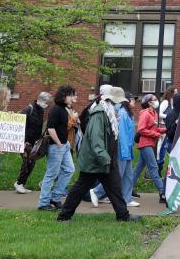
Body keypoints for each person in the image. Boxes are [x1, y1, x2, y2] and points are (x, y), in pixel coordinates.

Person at [56, 86, 139, 223]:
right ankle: (64, 216)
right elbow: (96, 138)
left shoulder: (110, 112)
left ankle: (123, 215)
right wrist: (104, 156)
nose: (120, 103)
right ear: (111, 100)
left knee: (115, 187)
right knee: (80, 187)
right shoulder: (100, 113)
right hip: (96, 159)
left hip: (105, 159)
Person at [92, 92, 138, 208]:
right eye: (133, 99)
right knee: (118, 175)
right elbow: (121, 134)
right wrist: (124, 150)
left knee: (128, 176)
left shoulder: (127, 114)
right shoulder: (122, 114)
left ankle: (126, 199)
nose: (135, 102)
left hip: (127, 149)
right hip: (123, 150)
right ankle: (96, 192)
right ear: (126, 101)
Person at [38, 85, 77, 211]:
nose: (72, 98)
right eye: (70, 95)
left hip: (64, 145)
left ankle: (55, 197)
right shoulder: (56, 109)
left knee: (69, 169)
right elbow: (50, 128)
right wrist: (59, 143)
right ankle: (43, 203)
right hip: (56, 146)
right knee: (51, 173)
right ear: (64, 96)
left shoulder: (65, 109)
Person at [130, 93, 167, 206]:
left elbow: (155, 129)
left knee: (138, 168)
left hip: (149, 144)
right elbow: (141, 129)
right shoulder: (145, 114)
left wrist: (167, 129)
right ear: (149, 102)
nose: (157, 101)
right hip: (145, 144)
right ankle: (162, 192)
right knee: (154, 167)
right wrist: (155, 134)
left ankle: (128, 188)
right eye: (155, 99)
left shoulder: (154, 113)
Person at [14, 91, 51, 194]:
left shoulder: (40, 110)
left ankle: (21, 183)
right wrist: (23, 140)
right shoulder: (29, 109)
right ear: (40, 99)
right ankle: (18, 183)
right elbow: (19, 124)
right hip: (26, 142)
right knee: (27, 163)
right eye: (46, 102)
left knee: (31, 163)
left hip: (33, 142)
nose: (46, 105)